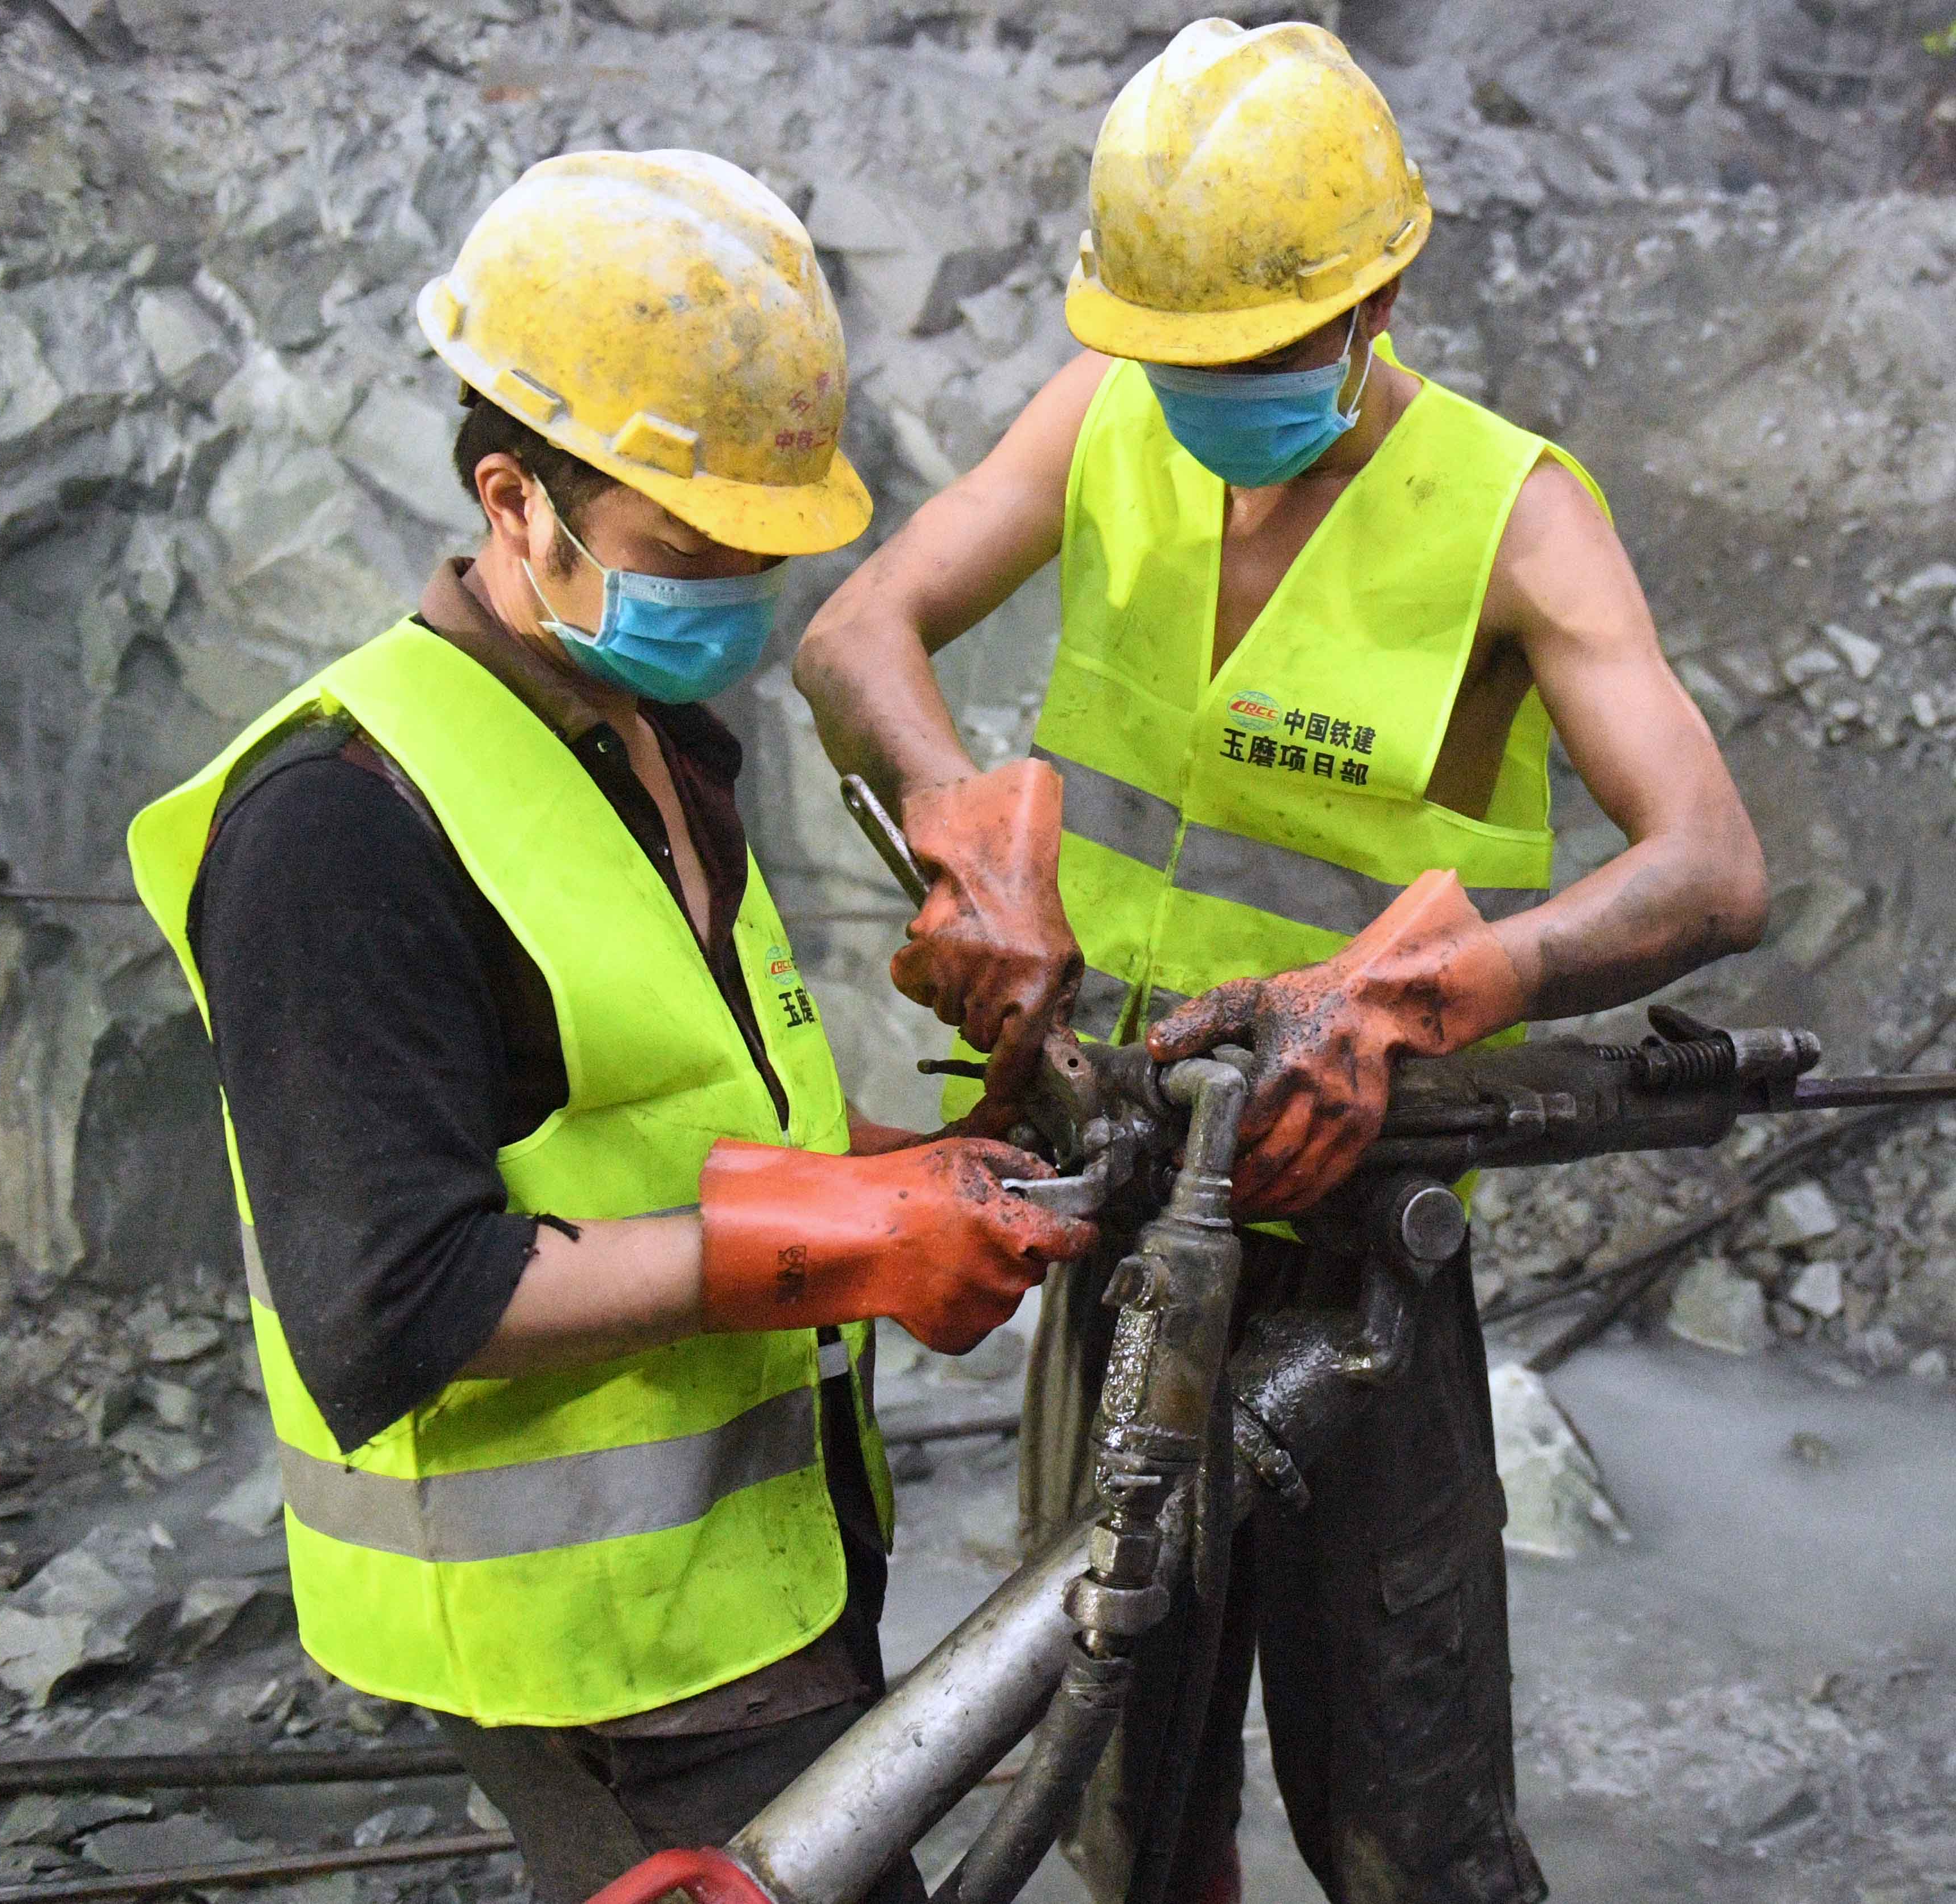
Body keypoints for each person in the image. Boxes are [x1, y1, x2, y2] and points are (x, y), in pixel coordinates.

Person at [793, 20, 1769, 1902]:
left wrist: (1406, 998)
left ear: (1379, 293)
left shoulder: (1511, 516)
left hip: (1353, 1249)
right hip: (1115, 1197)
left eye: (1251, 355)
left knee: (1405, 1823)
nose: (1207, 393)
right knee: (1112, 1785)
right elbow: (859, 632)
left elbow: (1711, 869)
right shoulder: (1102, 413)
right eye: (1179, 357)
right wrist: (957, 822)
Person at [122, 151, 1095, 1904]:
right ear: (515, 498)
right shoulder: (336, 826)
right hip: (592, 1648)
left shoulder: (658, 742)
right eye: (685, 548)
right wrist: (840, 1242)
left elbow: (665, 1123)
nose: (731, 592)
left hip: (762, 1565)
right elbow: (392, 1299)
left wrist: (921, 1178)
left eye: (761, 549)